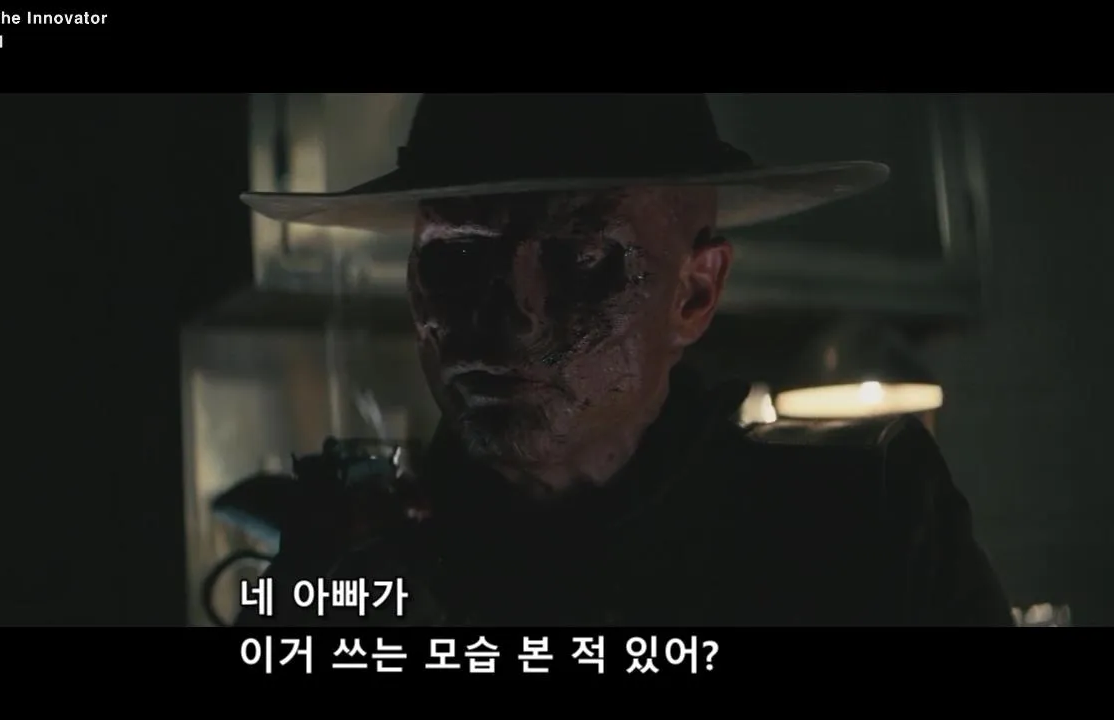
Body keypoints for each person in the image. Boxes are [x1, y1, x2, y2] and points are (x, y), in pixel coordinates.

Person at [237, 93, 1012, 626]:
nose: (513, 307)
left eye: (580, 257)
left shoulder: (858, 522)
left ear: (695, 293)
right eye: (458, 255)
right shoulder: (355, 566)